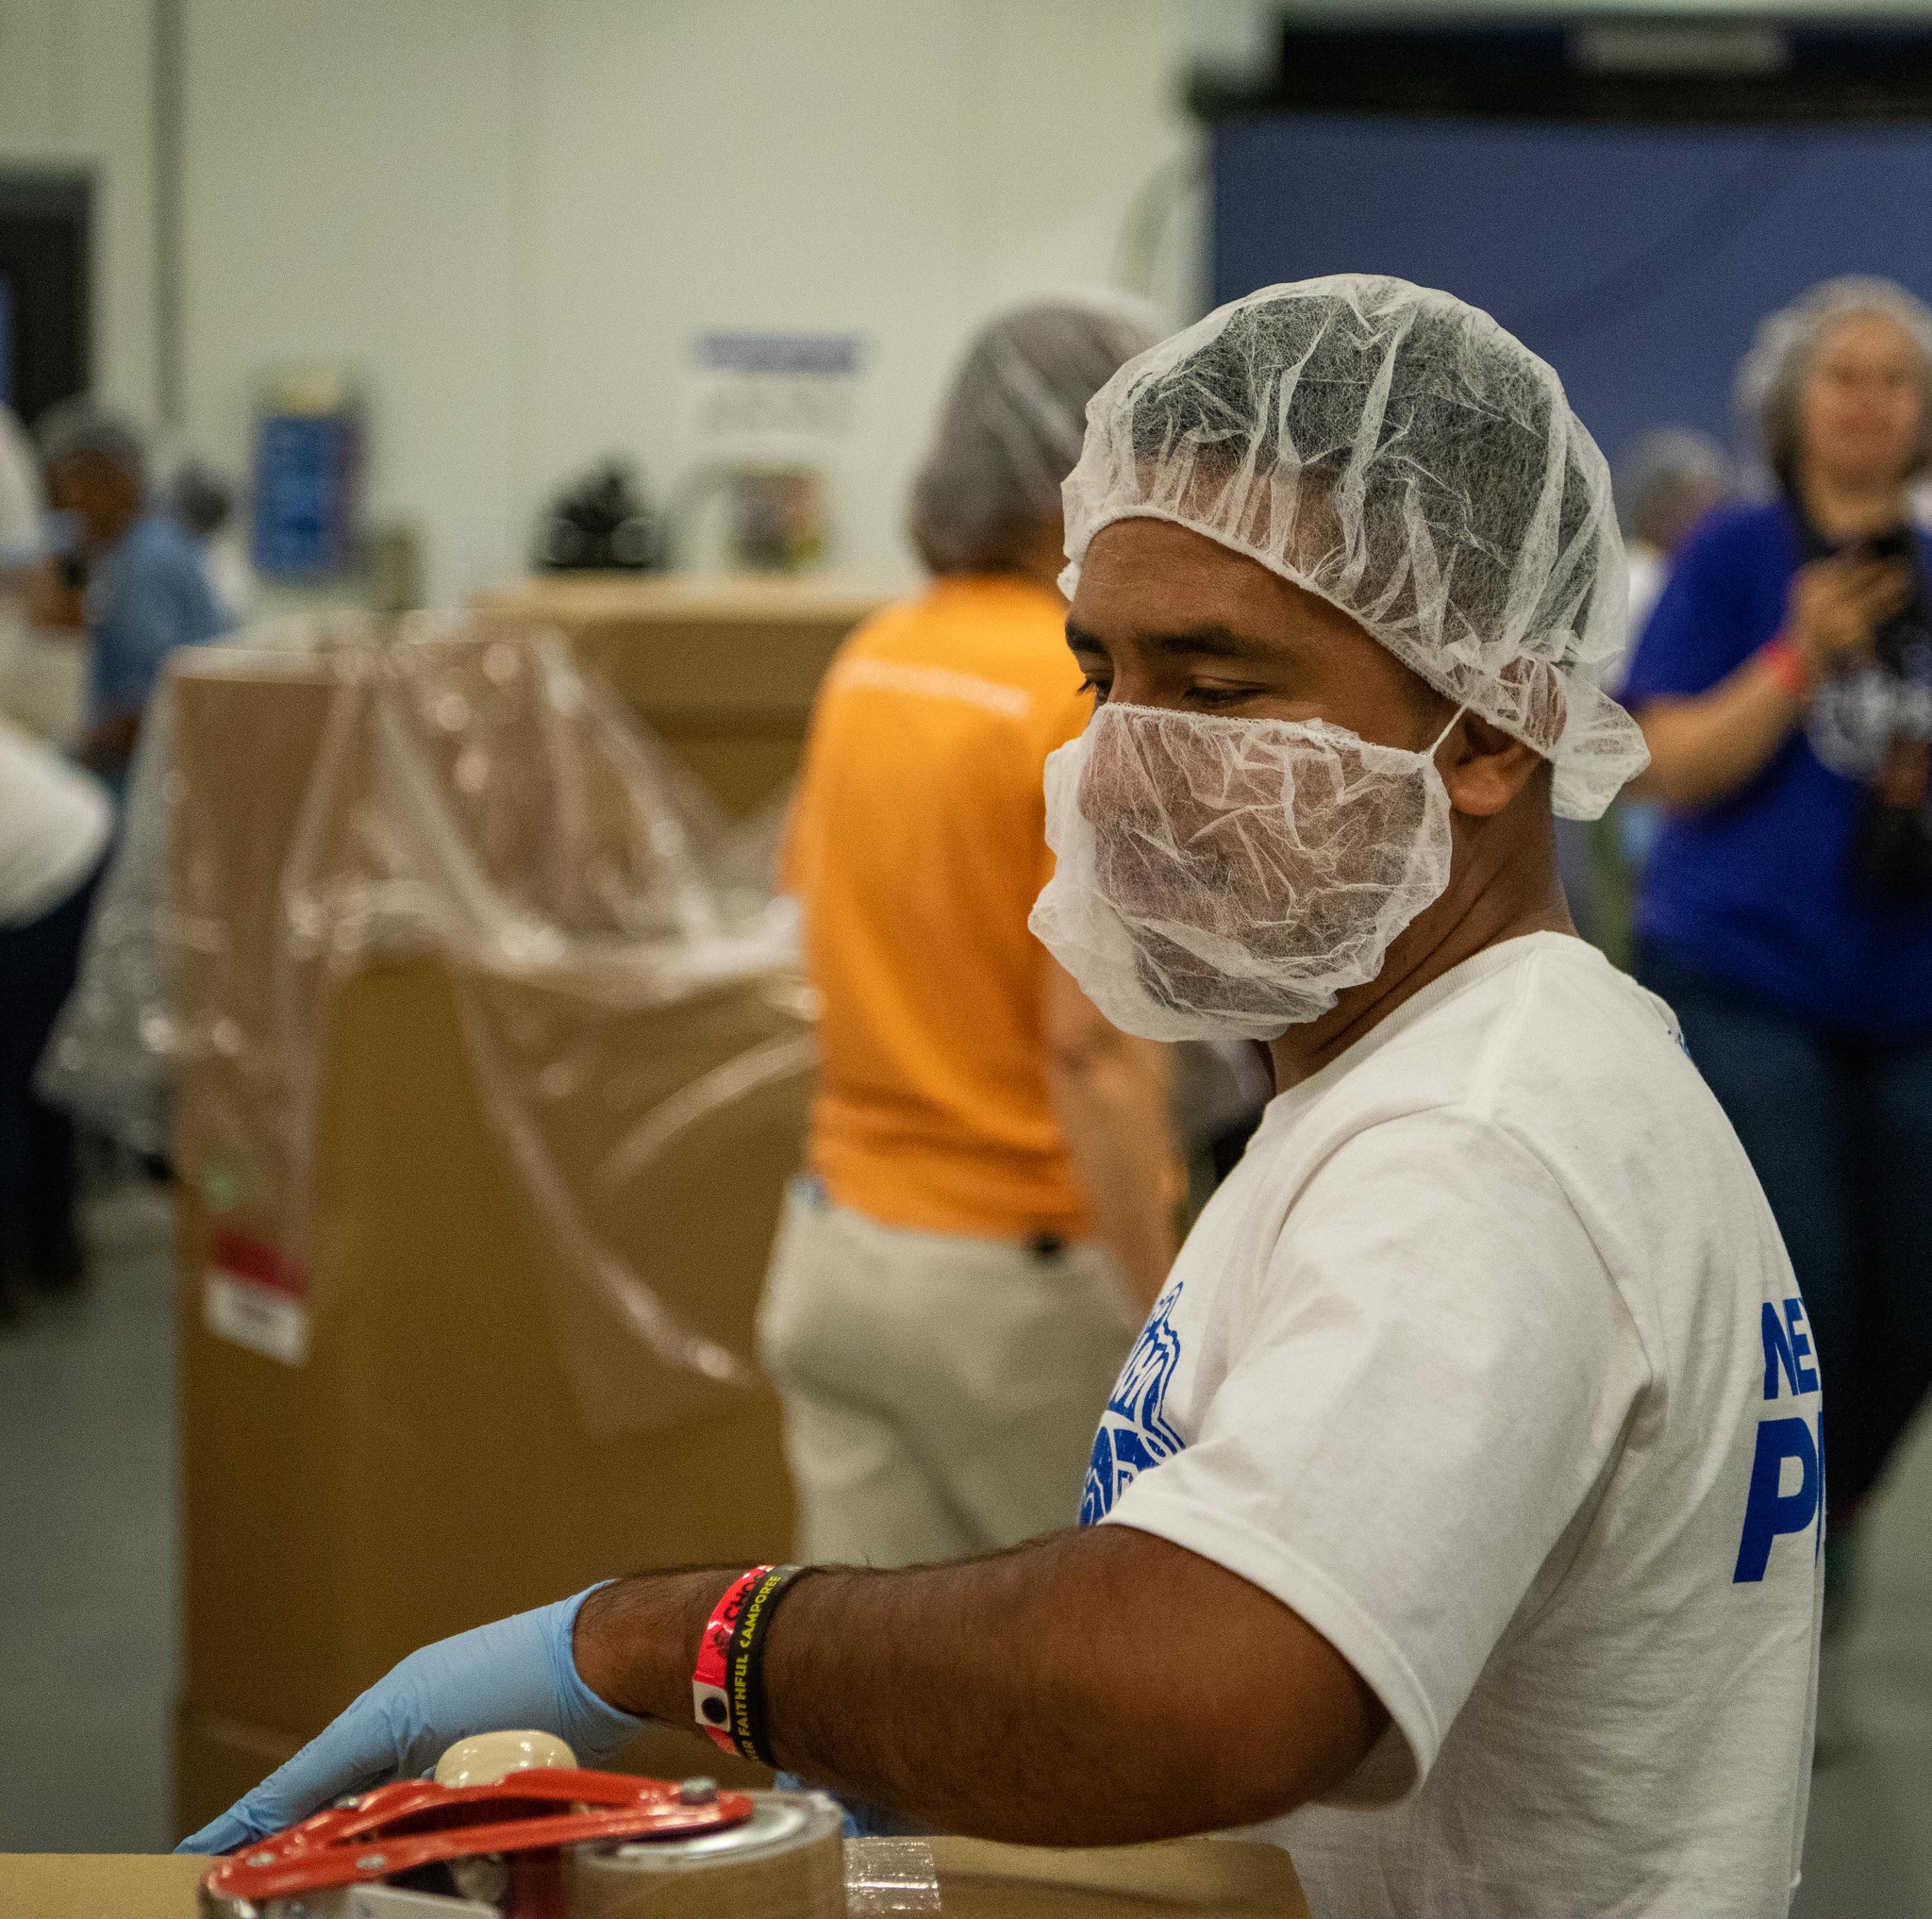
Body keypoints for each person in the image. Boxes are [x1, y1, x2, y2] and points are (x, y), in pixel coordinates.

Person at [185, 277, 1817, 1917]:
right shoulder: (1410, 1077)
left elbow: (1215, 1686)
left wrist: (668, 1636)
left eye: (1217, 683)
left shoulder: (1473, 1143)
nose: (1121, 764)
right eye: (1101, 672)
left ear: (1492, 728)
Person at [764, 298, 1180, 1565]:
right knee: (1095, 1698)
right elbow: (1091, 1050)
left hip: (838, 1254)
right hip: (1017, 1293)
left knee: (874, 1706)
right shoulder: (1081, 695)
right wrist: (1171, 1312)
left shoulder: (874, 658)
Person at [1623, 275, 1932, 1623]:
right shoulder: (1735, 554)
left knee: (1911, 1287)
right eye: (1844, 376)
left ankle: (1844, 1501)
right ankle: (1763, 1558)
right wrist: (1796, 660)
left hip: (1909, 986)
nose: (1870, 400)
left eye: (1897, 379)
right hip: (1744, 972)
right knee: (1807, 1263)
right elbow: (1664, 765)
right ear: (1793, 405)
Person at [28, 404, 231, 794]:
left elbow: (153, 696)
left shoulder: (146, 560)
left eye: (73, 486)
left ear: (114, 479)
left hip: (162, 773)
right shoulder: (134, 548)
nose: (66, 506)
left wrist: (78, 749)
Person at [0, 716, 111, 1318]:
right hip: (70, 837)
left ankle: (18, 1262)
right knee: (40, 1065)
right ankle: (53, 1244)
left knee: (13, 1076)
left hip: (52, 871)